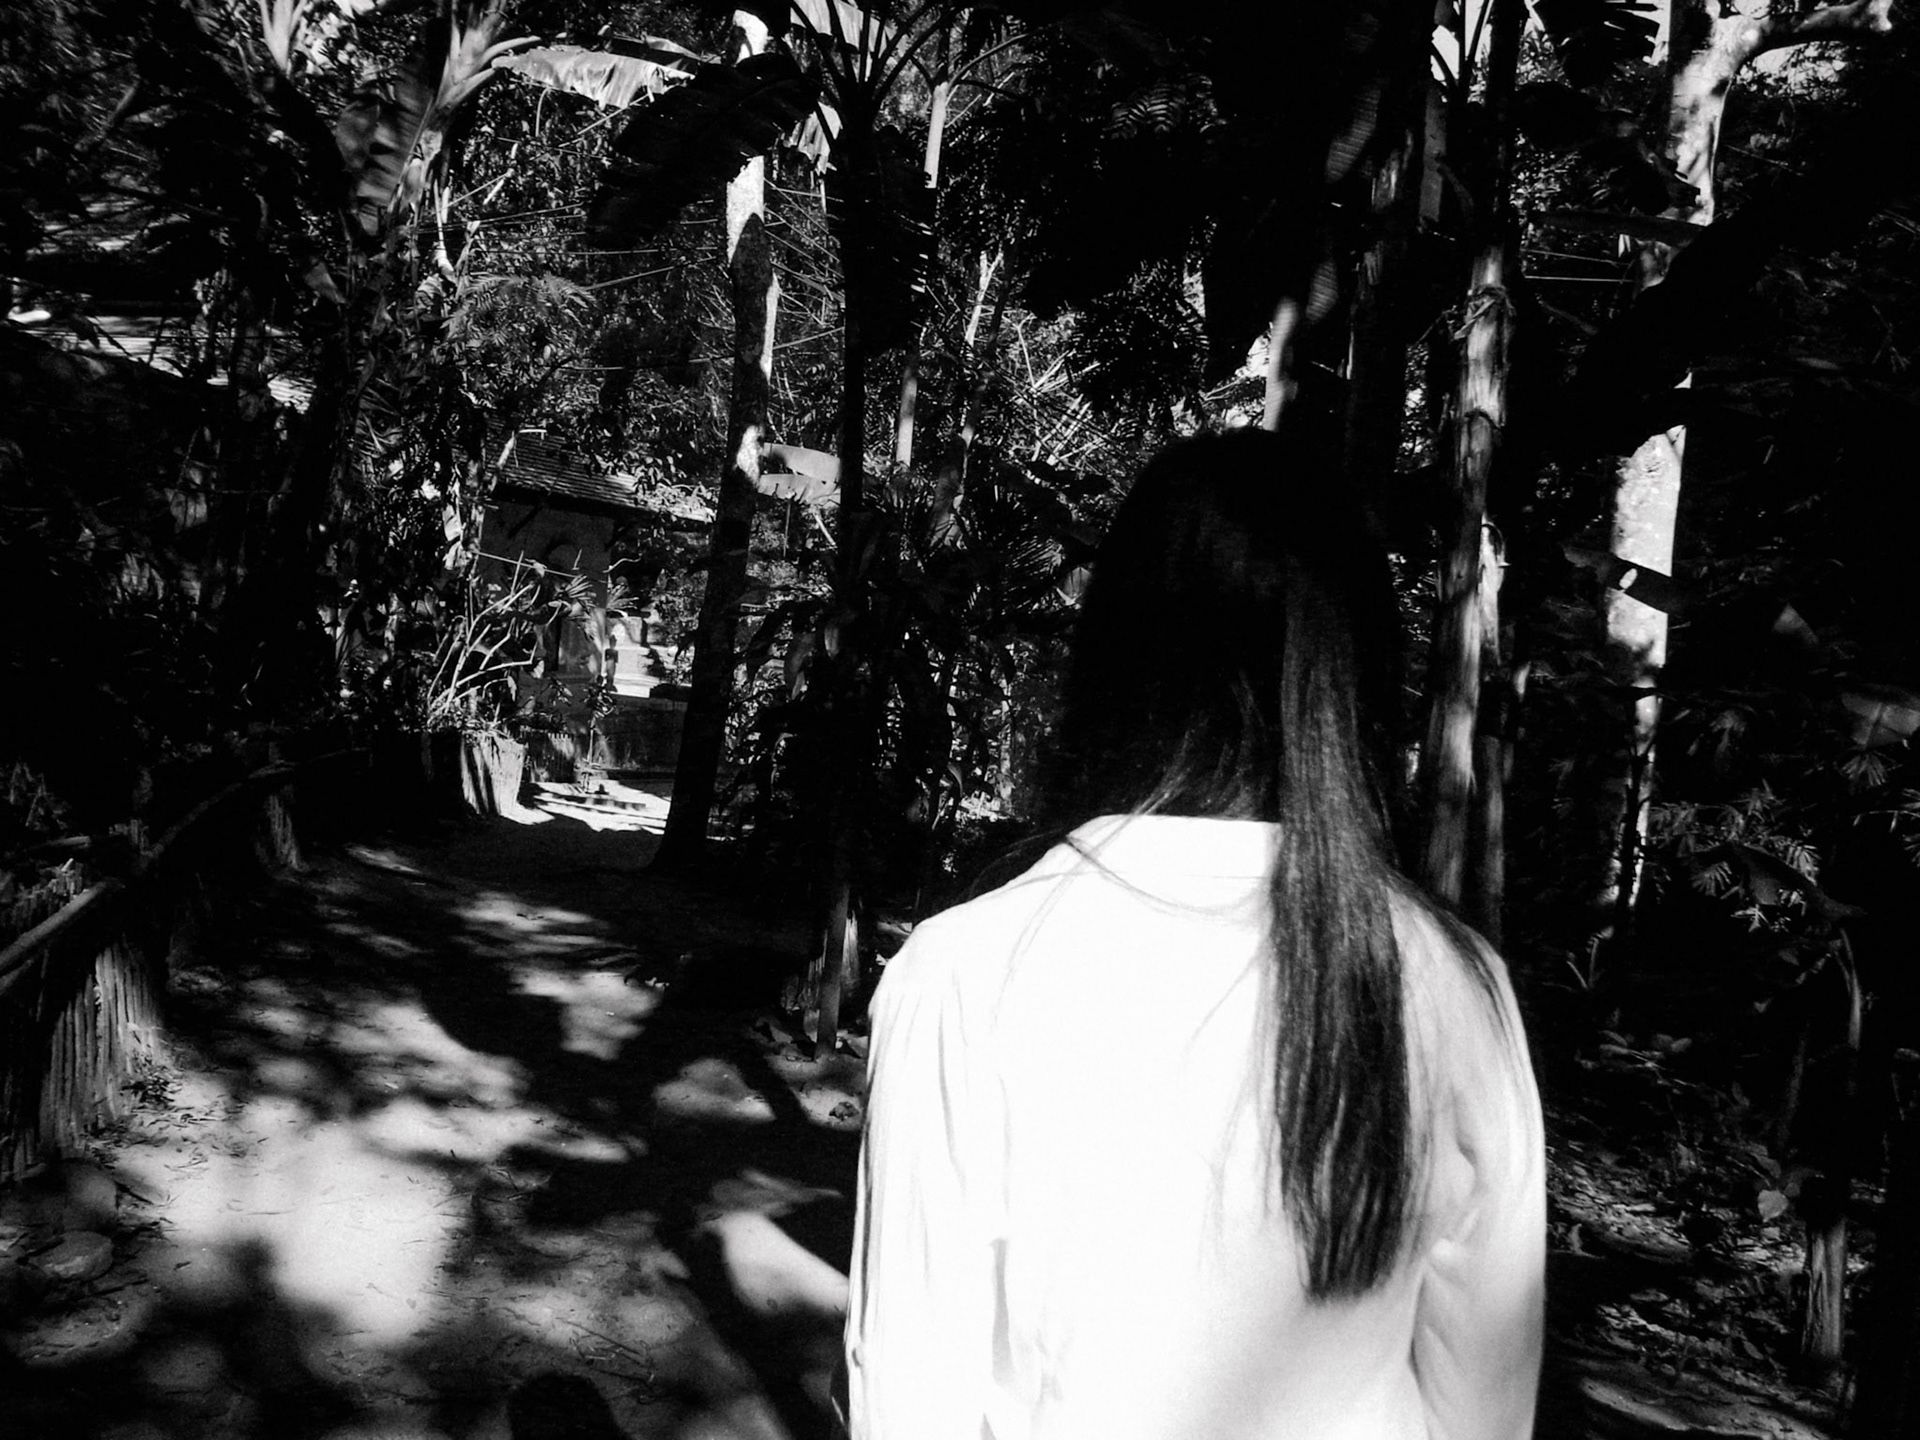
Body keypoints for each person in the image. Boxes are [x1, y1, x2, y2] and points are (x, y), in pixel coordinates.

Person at [841, 427, 1545, 1440]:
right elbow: (1485, 1410)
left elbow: (910, 1402)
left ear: (1115, 651)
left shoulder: (965, 972)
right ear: (1353, 673)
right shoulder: (1456, 986)